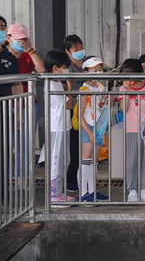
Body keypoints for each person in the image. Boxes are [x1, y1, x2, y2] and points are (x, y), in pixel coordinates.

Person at [6, 22, 45, 189]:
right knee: (6, 144)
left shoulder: (28, 55)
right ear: (8, 38)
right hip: (7, 106)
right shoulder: (3, 58)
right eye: (18, 39)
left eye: (25, 39)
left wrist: (30, 50)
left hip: (28, 105)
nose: (21, 42)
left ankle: (22, 178)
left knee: (25, 144)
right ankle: (4, 179)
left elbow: (42, 70)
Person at [118, 58, 145, 202]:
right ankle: (132, 190)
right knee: (131, 160)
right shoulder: (123, 89)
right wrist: (128, 91)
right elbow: (124, 108)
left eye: (130, 76)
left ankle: (144, 189)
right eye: (125, 76)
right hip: (131, 129)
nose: (128, 79)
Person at [0, 14, 23, 205]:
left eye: (2, 27)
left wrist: (19, 112)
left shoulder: (9, 58)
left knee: (1, 153)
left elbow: (18, 85)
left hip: (2, 112)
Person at [75, 56, 109, 204]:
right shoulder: (84, 89)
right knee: (85, 160)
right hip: (88, 126)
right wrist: (88, 132)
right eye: (94, 70)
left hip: (99, 126)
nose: (98, 72)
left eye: (100, 69)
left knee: (94, 162)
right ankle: (83, 193)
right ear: (85, 72)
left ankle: (92, 190)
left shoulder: (101, 86)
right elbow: (79, 114)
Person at [44, 49, 75, 207]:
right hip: (57, 128)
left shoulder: (56, 83)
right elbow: (68, 105)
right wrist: (70, 85)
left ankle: (59, 191)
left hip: (64, 126)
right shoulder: (52, 84)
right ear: (55, 68)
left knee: (64, 159)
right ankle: (53, 195)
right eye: (65, 67)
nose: (67, 70)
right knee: (56, 160)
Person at [64, 34, 86, 193]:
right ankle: (71, 179)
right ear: (68, 51)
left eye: (80, 47)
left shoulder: (86, 64)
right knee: (74, 146)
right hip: (74, 111)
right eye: (75, 48)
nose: (79, 50)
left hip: (87, 110)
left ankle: (83, 178)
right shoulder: (67, 67)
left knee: (85, 145)